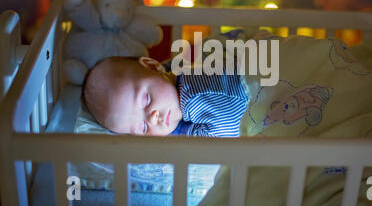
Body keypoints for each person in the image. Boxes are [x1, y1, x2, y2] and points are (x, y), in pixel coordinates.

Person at [81, 56, 249, 137]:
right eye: (143, 128)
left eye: (146, 100)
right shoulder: (182, 108)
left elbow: (235, 131)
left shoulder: (195, 94)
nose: (153, 118)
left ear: (153, 66)